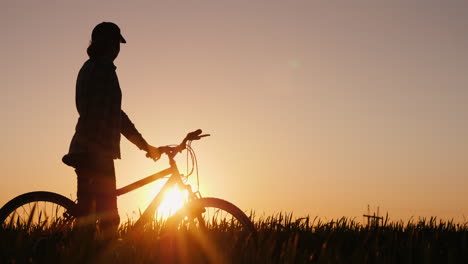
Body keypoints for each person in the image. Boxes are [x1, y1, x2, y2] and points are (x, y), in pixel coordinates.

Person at [62, 22, 161, 236]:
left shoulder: (88, 68)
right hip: (96, 152)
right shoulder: (103, 69)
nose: (118, 48)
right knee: (107, 219)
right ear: (110, 44)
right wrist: (145, 146)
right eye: (117, 43)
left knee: (91, 218)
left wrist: (144, 145)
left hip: (88, 149)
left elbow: (112, 114)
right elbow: (113, 117)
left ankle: (83, 251)